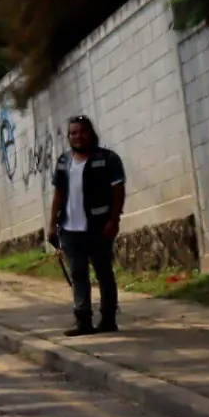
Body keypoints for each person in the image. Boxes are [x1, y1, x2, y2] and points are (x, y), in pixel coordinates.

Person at [48, 115, 126, 336]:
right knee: (78, 273)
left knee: (103, 272)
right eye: (73, 133)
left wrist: (114, 219)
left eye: (82, 132)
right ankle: (83, 321)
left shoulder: (108, 159)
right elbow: (58, 194)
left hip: (99, 227)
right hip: (70, 229)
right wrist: (52, 224)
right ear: (69, 136)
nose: (78, 136)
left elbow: (118, 192)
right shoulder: (64, 162)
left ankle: (108, 318)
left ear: (90, 133)